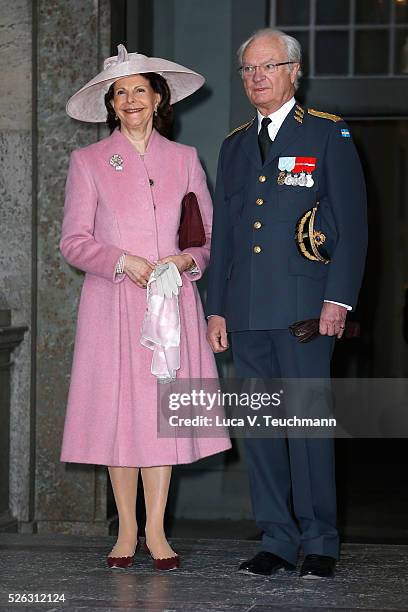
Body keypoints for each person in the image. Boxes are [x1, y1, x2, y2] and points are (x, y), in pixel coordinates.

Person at [60, 45, 231, 571]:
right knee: (120, 417)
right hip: (112, 305)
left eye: (140, 89)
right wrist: (121, 260)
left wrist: (185, 261)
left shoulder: (183, 161)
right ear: (111, 104)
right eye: (120, 92)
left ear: (159, 98)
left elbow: (205, 239)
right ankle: (126, 529)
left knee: (162, 418)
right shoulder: (87, 162)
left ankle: (156, 529)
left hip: (172, 305)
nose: (130, 99)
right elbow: (73, 241)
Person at [206, 28, 367, 579]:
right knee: (262, 431)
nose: (256, 78)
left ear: (294, 71)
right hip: (248, 315)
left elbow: (352, 227)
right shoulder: (232, 145)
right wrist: (217, 308)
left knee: (307, 429)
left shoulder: (327, 135)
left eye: (267, 67)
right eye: (248, 70)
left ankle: (320, 540)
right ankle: (276, 537)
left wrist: (338, 302)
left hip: (305, 313)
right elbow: (225, 235)